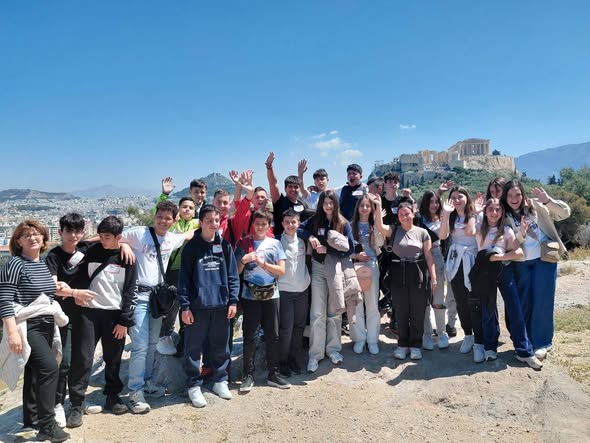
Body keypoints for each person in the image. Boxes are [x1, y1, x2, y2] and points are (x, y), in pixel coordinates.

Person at [122, 200, 196, 414]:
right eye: (160, 217)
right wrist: (124, 244)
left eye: (167, 218)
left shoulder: (172, 238)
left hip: (156, 299)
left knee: (152, 343)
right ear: (155, 216)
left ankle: (146, 383)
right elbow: (110, 238)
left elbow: (189, 235)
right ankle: (134, 392)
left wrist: (210, 223)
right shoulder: (139, 233)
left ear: (174, 220)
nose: (163, 221)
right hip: (138, 297)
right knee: (140, 345)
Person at [0, 220, 70, 442]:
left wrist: (70, 291)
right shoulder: (15, 264)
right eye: (26, 235)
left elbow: (46, 293)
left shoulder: (42, 264)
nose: (32, 238)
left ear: (43, 238)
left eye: (36, 233)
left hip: (46, 324)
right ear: (18, 241)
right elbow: (4, 299)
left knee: (34, 374)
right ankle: (47, 426)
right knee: (49, 369)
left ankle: (32, 419)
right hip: (27, 326)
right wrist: (12, 332)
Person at [67, 216, 138, 423]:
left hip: (114, 315)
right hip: (88, 314)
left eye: (107, 237)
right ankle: (77, 404)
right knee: (83, 359)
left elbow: (131, 291)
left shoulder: (127, 258)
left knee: (113, 358)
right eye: (100, 236)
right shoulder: (90, 252)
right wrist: (105, 241)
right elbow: (75, 246)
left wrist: (124, 321)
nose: (102, 240)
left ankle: (112, 396)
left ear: (118, 237)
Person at [176, 204, 239, 407]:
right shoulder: (191, 248)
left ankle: (220, 380)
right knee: (193, 348)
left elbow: (232, 276)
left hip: (221, 305)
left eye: (216, 220)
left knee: (221, 345)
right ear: (201, 222)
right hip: (197, 307)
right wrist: (185, 306)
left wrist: (233, 300)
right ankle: (193, 385)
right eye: (209, 220)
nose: (214, 224)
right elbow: (183, 280)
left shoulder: (225, 246)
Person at [501, 181, 570, 360]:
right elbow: (507, 241)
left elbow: (565, 213)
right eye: (510, 195)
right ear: (505, 197)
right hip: (520, 262)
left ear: (523, 194)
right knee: (523, 302)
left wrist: (548, 201)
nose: (514, 199)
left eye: (517, 194)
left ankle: (542, 343)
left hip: (544, 259)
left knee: (543, 301)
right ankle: (525, 342)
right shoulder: (504, 215)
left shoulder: (537, 205)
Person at [472, 199, 542, 369]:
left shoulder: (506, 230)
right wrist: (475, 213)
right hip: (485, 273)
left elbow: (518, 252)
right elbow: (468, 230)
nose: (494, 213)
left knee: (514, 308)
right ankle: (490, 348)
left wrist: (498, 257)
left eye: (497, 209)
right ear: (485, 211)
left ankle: (524, 351)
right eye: (490, 209)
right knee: (488, 310)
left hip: (504, 269)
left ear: (502, 212)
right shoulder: (479, 228)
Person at [45, 213, 95, 427]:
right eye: (69, 231)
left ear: (83, 232)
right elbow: (54, 287)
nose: (73, 235)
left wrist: (125, 247)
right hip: (62, 317)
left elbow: (109, 239)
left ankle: (77, 404)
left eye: (77, 231)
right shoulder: (53, 256)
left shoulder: (85, 248)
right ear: (60, 232)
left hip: (85, 315)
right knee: (63, 361)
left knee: (82, 360)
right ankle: (57, 404)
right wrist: (75, 293)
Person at [297, 190, 354, 372]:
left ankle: (333, 350)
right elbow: (298, 229)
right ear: (321, 204)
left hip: (335, 269)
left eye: (331, 203)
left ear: (336, 204)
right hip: (318, 269)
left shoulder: (343, 223)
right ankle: (315, 354)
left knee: (334, 311)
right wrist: (310, 236)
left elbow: (350, 249)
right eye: (325, 203)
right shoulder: (315, 220)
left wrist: (328, 250)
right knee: (317, 312)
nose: (328, 206)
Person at [235, 210, 289, 391]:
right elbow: (236, 271)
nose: (260, 227)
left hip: (272, 294)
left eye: (263, 224)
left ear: (269, 225)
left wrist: (263, 264)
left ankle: (274, 374)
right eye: (257, 223)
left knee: (273, 335)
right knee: (249, 336)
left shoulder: (275, 244)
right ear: (252, 224)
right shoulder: (244, 243)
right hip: (249, 296)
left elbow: (281, 270)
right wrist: (243, 261)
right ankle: (247, 375)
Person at [375, 201, 436, 360]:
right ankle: (402, 345)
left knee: (418, 311)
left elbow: (429, 257)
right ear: (398, 216)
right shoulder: (394, 230)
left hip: (418, 274)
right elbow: (380, 227)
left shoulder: (423, 232)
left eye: (407, 213)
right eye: (401, 214)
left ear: (413, 213)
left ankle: (415, 345)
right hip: (398, 274)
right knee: (401, 311)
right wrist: (378, 205)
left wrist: (434, 279)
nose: (404, 217)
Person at [439, 187, 483, 362]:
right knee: (461, 300)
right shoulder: (451, 217)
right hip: (456, 262)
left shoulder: (477, 214)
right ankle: (468, 335)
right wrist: (445, 214)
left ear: (467, 197)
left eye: (460, 197)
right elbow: (443, 236)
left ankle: (479, 341)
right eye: (454, 197)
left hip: (473, 261)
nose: (457, 200)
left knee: (475, 300)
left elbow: (471, 233)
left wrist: (474, 214)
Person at [156, 196, 200, 357]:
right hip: (173, 270)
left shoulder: (197, 223)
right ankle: (165, 334)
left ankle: (184, 337)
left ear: (195, 211)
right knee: (171, 303)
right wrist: (164, 195)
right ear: (179, 210)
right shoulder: (173, 224)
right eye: (184, 207)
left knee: (188, 305)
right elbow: (159, 217)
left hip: (193, 271)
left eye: (191, 207)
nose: (187, 209)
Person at [349, 194, 385, 355]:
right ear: (357, 207)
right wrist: (356, 255)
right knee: (357, 304)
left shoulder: (374, 225)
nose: (364, 208)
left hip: (372, 265)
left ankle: (372, 340)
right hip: (354, 266)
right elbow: (345, 249)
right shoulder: (350, 226)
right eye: (362, 205)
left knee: (372, 305)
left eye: (368, 206)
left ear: (371, 209)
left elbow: (380, 243)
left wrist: (377, 221)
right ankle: (359, 339)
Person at [277, 209, 311, 376]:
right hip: (284, 291)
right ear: (282, 223)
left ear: (299, 223)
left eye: (294, 222)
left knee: (299, 328)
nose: (290, 225)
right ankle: (282, 362)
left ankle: (294, 360)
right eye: (287, 222)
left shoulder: (304, 240)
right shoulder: (276, 241)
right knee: (286, 329)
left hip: (302, 290)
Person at [417, 191, 451, 350]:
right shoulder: (419, 219)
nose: (434, 205)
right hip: (420, 258)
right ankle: (427, 333)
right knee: (423, 298)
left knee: (438, 297)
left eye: (437, 202)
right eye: (431, 202)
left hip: (437, 257)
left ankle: (442, 333)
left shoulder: (443, 219)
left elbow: (444, 238)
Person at [266, 152, 310, 237]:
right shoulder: (280, 201)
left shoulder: (303, 203)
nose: (293, 189)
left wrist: (300, 174)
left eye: (296, 187)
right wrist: (269, 167)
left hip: (300, 241)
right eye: (290, 186)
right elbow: (273, 183)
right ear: (285, 188)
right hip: (281, 240)